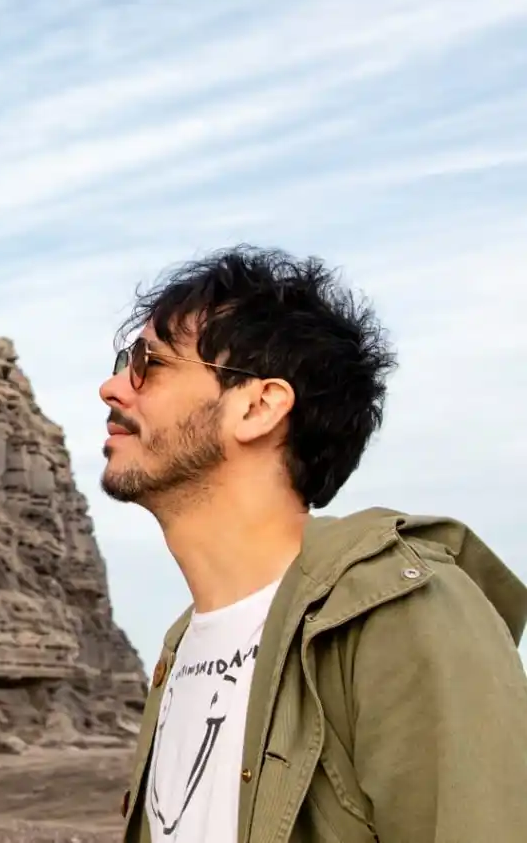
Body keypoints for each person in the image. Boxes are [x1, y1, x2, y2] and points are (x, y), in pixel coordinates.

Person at [99, 245, 527, 843]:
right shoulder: (179, 650)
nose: (113, 388)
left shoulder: (395, 614)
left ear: (258, 407)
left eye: (151, 363)